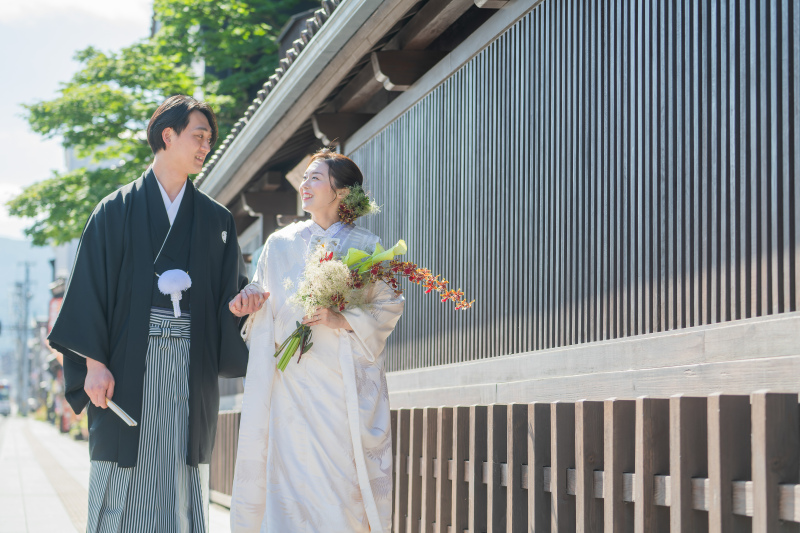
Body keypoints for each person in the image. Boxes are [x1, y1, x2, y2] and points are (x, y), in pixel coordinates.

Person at [48, 95, 267, 533]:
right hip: (125, 368)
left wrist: (244, 304)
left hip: (188, 369)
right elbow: (90, 289)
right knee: (121, 476)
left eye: (209, 139)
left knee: (179, 480)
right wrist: (93, 363)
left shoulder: (215, 220)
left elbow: (228, 295)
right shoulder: (115, 210)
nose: (206, 146)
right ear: (167, 136)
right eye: (198, 136)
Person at [230, 149, 404, 532]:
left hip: (340, 386)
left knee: (340, 480)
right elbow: (262, 288)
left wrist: (341, 317)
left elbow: (390, 306)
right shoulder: (279, 243)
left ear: (340, 191)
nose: (304, 186)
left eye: (314, 178)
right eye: (304, 178)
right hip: (291, 383)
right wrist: (249, 299)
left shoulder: (368, 245)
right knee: (290, 479)